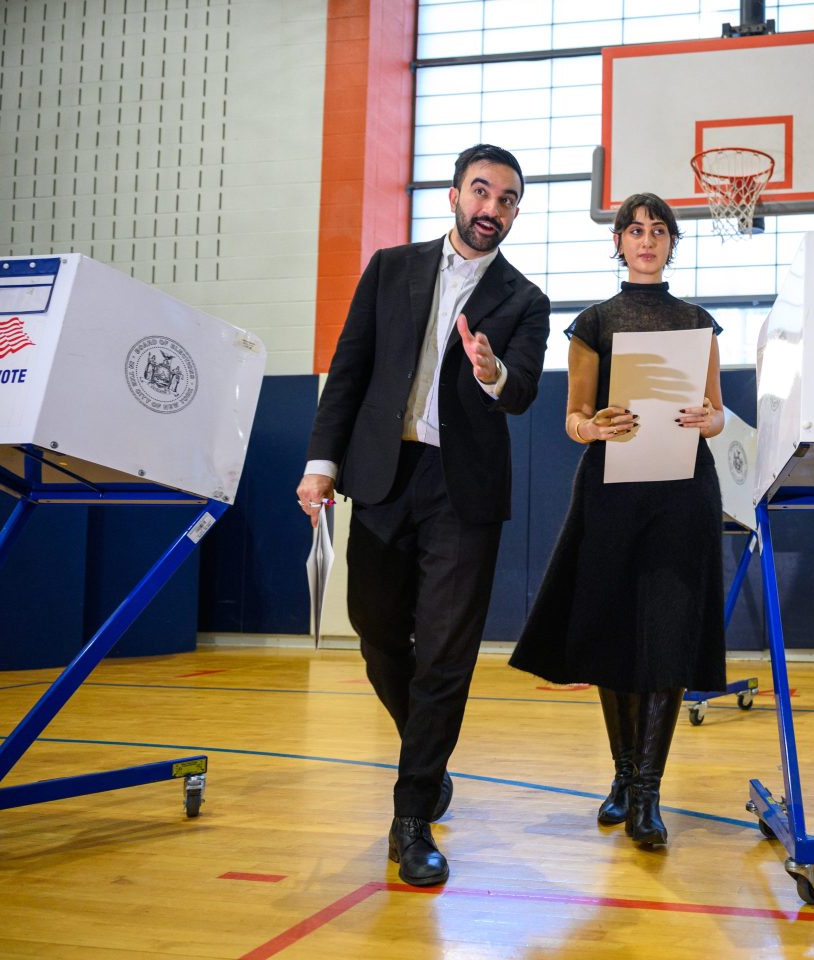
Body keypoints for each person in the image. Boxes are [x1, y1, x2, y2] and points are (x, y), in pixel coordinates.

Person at [296, 144, 550, 887]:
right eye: (482, 192)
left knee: (444, 651)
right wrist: (321, 464)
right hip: (382, 473)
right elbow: (349, 369)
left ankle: (411, 819)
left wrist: (491, 370)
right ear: (453, 195)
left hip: (463, 489)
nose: (491, 209)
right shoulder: (391, 268)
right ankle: (426, 751)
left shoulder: (525, 299)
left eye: (506, 200)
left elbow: (524, 389)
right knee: (377, 633)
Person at [509, 193, 726, 847]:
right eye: (635, 229)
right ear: (619, 243)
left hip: (683, 490)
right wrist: (592, 425)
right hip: (611, 490)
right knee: (613, 636)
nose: (646, 239)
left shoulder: (696, 321)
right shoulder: (594, 322)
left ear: (671, 244)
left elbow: (716, 412)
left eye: (659, 230)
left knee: (668, 635)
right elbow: (574, 419)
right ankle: (624, 774)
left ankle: (648, 796)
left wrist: (707, 420)